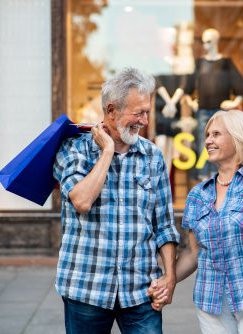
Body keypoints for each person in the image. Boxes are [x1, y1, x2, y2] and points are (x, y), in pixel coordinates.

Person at [53, 67, 180, 334]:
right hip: (86, 289)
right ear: (111, 111)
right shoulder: (74, 148)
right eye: (139, 113)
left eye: (147, 112)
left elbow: (164, 226)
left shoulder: (152, 156)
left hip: (141, 291)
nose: (145, 120)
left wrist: (170, 277)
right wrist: (107, 151)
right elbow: (82, 201)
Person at [149, 110, 243, 334]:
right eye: (207, 135)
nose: (208, 140)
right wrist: (166, 280)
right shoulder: (198, 195)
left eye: (217, 134)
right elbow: (194, 254)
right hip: (211, 301)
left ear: (238, 137)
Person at [189, 28, 243, 180]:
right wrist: (191, 102)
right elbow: (187, 86)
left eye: (208, 41)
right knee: (204, 144)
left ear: (216, 41)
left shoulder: (225, 63)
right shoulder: (200, 63)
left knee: (221, 145)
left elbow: (241, 86)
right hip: (203, 111)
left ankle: (220, 177)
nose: (205, 45)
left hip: (220, 113)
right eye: (203, 42)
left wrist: (235, 102)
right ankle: (205, 179)